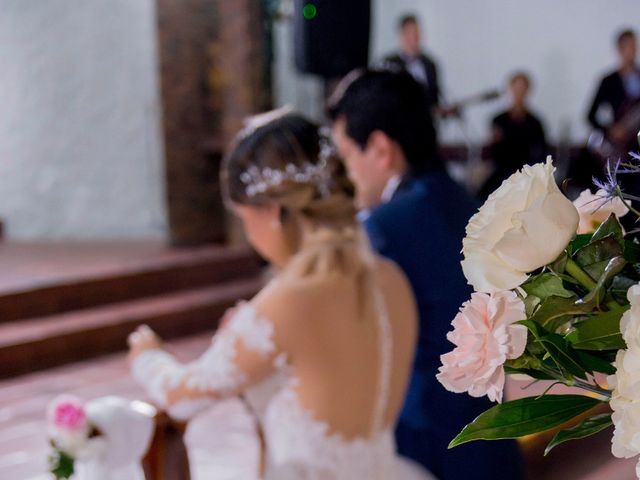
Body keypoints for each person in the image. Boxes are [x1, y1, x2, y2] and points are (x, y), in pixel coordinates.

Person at [128, 111, 434, 479]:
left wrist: (148, 356)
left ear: (272, 211)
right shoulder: (391, 279)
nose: (250, 237)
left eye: (244, 218)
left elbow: (181, 398)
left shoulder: (290, 300)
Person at [328, 69, 525, 480]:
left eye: (347, 156)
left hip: (424, 442)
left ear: (381, 149)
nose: (348, 174)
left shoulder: (385, 226)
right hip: (493, 435)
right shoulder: (473, 206)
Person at [479, 71, 547, 199]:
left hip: (526, 174)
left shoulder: (535, 123)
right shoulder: (499, 120)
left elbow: (541, 153)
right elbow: (492, 153)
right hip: (501, 173)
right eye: (516, 88)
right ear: (510, 89)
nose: (519, 92)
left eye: (522, 88)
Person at [587, 29, 640, 155]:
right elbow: (590, 115)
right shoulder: (608, 81)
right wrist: (611, 130)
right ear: (620, 49)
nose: (633, 51)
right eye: (629, 47)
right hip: (618, 150)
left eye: (635, 46)